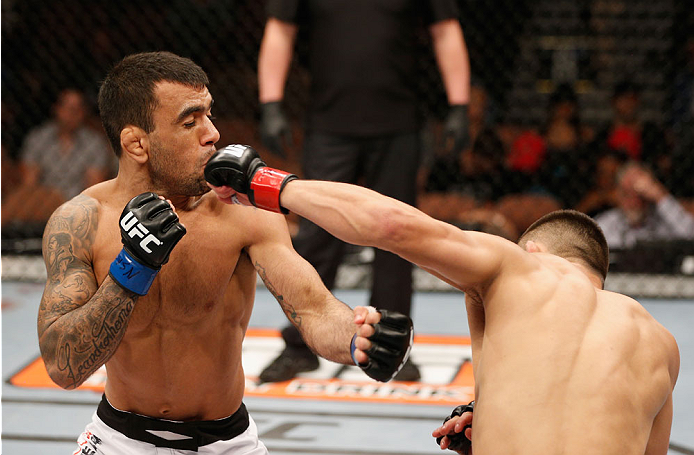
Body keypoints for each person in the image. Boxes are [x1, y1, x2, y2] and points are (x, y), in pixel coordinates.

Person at [37, 52, 413, 455]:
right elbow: (63, 366)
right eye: (189, 121)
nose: (213, 133)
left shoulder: (243, 213)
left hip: (228, 443)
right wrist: (132, 268)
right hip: (118, 441)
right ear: (137, 143)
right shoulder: (80, 222)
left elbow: (312, 308)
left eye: (209, 114)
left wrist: (359, 338)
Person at [206, 145, 680, 454]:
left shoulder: (523, 267)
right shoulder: (661, 346)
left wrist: (266, 183)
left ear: (533, 250)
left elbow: (391, 226)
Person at [256, 0, 471, 383]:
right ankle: (300, 344)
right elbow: (280, 28)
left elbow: (445, 28)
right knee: (317, 236)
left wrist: (459, 103)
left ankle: (391, 347)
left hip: (398, 123)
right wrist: (270, 102)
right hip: (329, 123)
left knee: (399, 236)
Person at [1, 88, 112, 228]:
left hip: (76, 203)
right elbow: (28, 185)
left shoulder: (94, 143)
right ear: (56, 108)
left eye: (77, 108)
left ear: (84, 112)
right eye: (68, 107)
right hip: (42, 200)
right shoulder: (38, 138)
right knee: (28, 197)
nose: (73, 113)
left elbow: (93, 190)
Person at [594, 162, 694, 250]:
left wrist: (660, 196)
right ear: (618, 194)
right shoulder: (605, 225)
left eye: (639, 196)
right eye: (627, 194)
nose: (633, 202)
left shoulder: (665, 223)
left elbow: (690, 235)